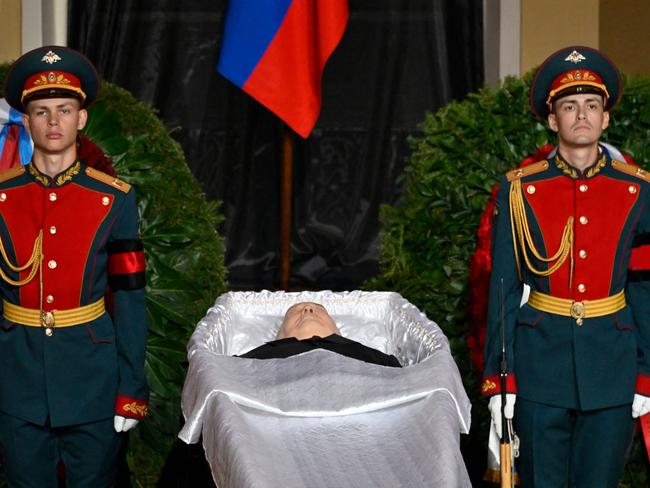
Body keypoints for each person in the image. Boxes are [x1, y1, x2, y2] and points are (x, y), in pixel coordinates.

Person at [482, 45, 650, 487]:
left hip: (612, 366)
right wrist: (500, 381)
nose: (582, 115)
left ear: (606, 118)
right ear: (553, 119)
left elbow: (645, 287)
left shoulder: (637, 191)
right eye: (569, 106)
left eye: (592, 105)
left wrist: (648, 372)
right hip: (540, 368)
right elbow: (502, 286)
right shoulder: (520, 190)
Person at [0, 46, 149, 486]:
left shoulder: (114, 200)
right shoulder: (3, 199)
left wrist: (131, 390)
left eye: (64, 110)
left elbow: (130, 299)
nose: (52, 122)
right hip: (16, 377)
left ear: (81, 119)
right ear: (26, 121)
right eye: (41, 111)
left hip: (93, 379)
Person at [240, 301, 402, 367]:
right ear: (279, 334)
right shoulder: (247, 363)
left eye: (318, 310)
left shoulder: (383, 363)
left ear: (338, 329)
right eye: (295, 311)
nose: (308, 309)